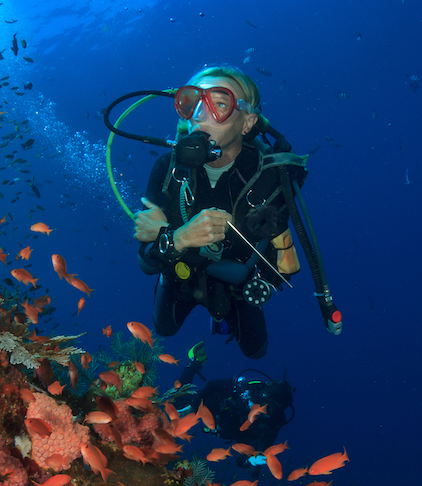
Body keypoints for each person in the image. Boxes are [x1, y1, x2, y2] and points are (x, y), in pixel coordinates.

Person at [133, 66, 303, 359]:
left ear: (247, 123)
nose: (200, 113)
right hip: (180, 275)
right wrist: (182, 238)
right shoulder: (167, 168)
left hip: (238, 286)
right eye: (192, 102)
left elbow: (278, 263)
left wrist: (168, 235)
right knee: (164, 329)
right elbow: (146, 261)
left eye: (220, 104)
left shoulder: (271, 177)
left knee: (256, 352)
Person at [175, 341, 293, 467]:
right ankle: (194, 363)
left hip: (217, 426)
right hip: (208, 405)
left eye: (271, 409)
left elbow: (243, 461)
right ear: (262, 395)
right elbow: (213, 384)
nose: (264, 409)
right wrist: (193, 406)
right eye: (265, 403)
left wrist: (251, 461)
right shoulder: (248, 391)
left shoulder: (269, 427)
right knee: (176, 401)